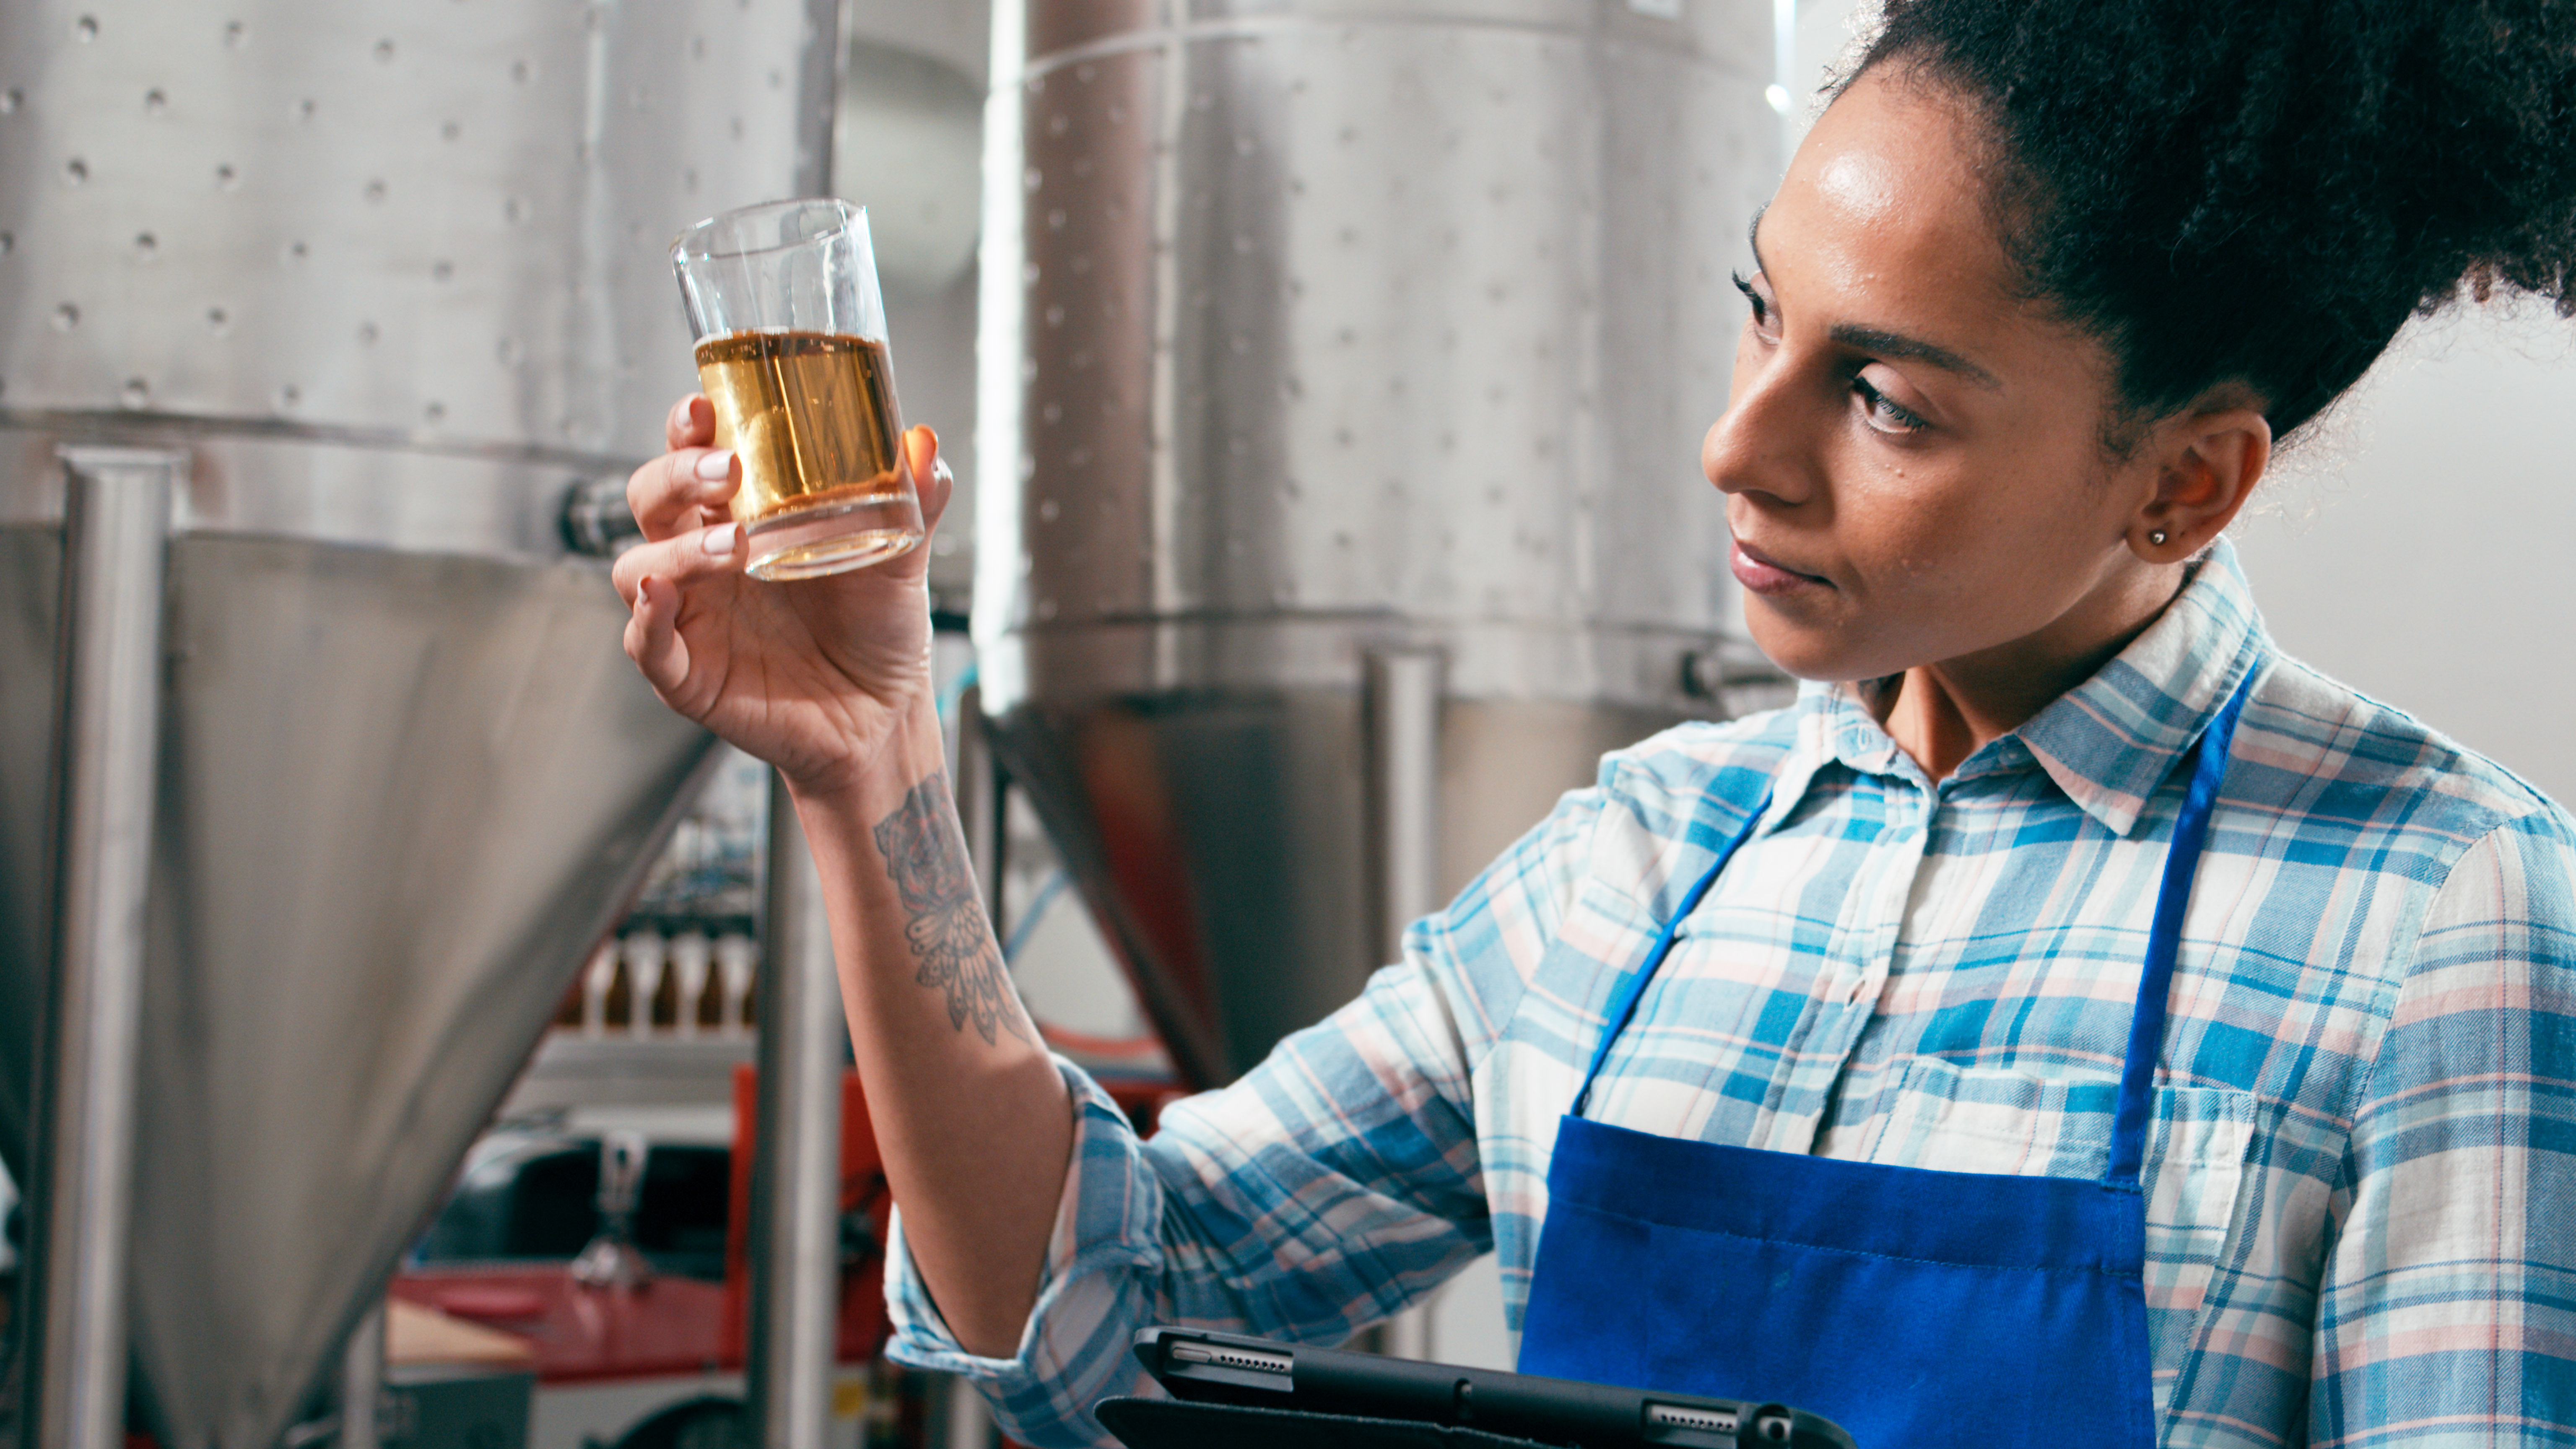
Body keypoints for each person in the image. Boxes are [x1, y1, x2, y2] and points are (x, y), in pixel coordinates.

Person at [610, 0, 2576, 1441]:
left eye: (1885, 402)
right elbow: (1089, 1313)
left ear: (2187, 483)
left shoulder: (2442, 916)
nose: (1741, 446)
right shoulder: (1645, 861)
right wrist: (877, 762)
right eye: (1760, 313)